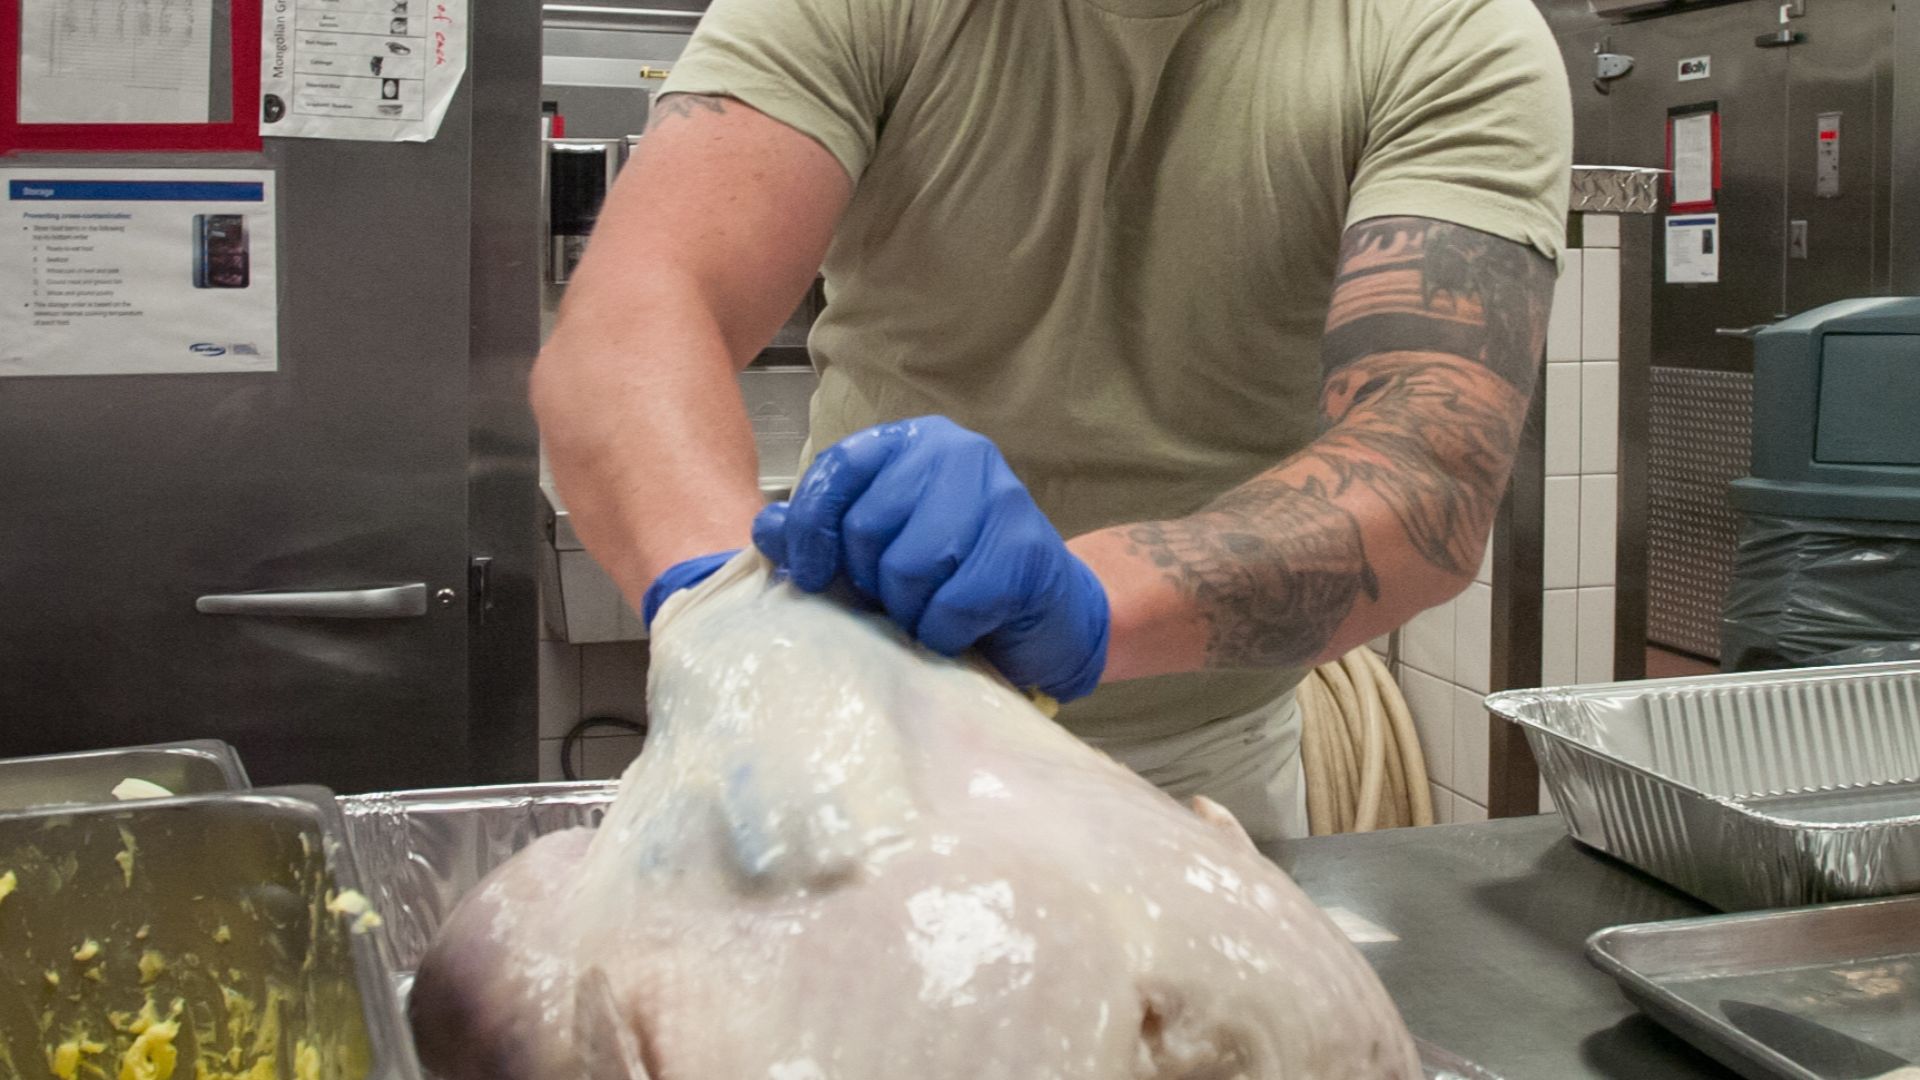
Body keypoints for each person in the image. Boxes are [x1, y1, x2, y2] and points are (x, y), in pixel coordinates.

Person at [534, 0, 1571, 842]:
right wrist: (724, 620)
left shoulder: (1450, 34)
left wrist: (1089, 605)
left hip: (1201, 778)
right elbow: (640, 310)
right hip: (857, 734)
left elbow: (1427, 468)